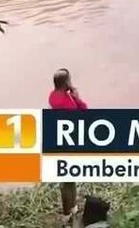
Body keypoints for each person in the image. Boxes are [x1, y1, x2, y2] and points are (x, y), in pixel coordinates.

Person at [48, 69, 87, 218]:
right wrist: (77, 98)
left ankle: (68, 207)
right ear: (66, 82)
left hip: (59, 138)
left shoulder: (53, 96)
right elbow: (83, 112)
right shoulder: (67, 102)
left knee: (65, 176)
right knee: (70, 178)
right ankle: (70, 209)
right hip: (69, 140)